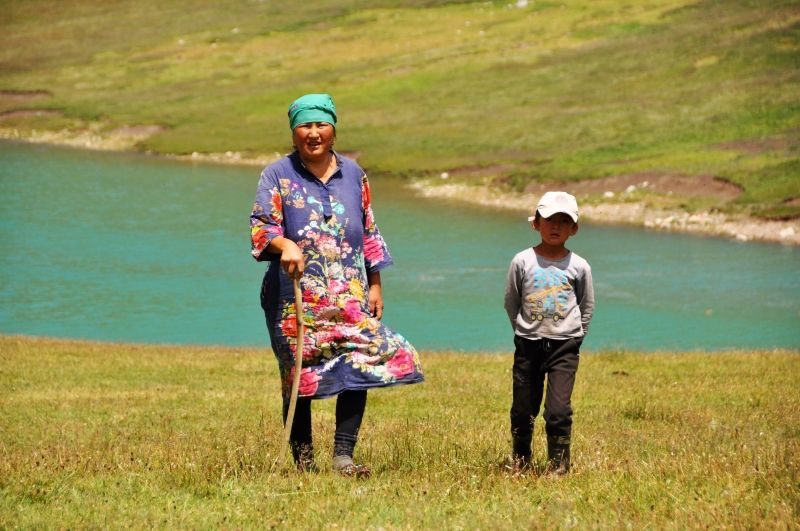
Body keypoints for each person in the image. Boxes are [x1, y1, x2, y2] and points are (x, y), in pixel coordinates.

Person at [250, 93, 424, 477]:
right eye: (305, 126)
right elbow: (262, 228)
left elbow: (370, 230)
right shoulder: (277, 175)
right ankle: (305, 463)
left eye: (321, 124)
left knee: (360, 362)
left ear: (334, 129)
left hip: (350, 294)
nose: (314, 133)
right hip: (295, 297)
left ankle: (343, 456)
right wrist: (285, 244)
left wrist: (375, 283)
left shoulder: (354, 174)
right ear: (294, 132)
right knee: (300, 375)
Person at [503, 191, 595, 475]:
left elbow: (586, 304)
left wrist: (576, 336)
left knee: (557, 410)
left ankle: (559, 465)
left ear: (574, 229)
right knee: (522, 409)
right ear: (536, 224)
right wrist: (522, 329)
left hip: (564, 348)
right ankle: (521, 460)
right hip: (528, 345)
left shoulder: (579, 266)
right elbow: (511, 300)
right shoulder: (522, 261)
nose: (555, 226)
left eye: (563, 221)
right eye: (549, 220)